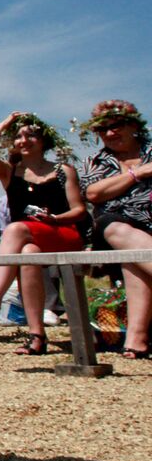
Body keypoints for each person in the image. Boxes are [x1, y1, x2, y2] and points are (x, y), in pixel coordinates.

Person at [0, 112, 87, 354]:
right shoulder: (10, 172)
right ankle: (37, 336)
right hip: (28, 239)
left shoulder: (63, 171)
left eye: (31, 135)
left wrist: (54, 217)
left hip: (62, 232)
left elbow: (79, 210)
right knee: (27, 253)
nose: (24, 140)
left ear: (44, 141)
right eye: (19, 136)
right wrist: (5, 123)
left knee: (15, 229)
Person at [79, 100, 152, 359]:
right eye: (102, 129)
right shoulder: (95, 161)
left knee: (132, 259)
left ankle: (136, 339)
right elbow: (94, 193)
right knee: (119, 230)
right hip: (112, 227)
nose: (110, 133)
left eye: (117, 125)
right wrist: (138, 173)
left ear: (134, 124)